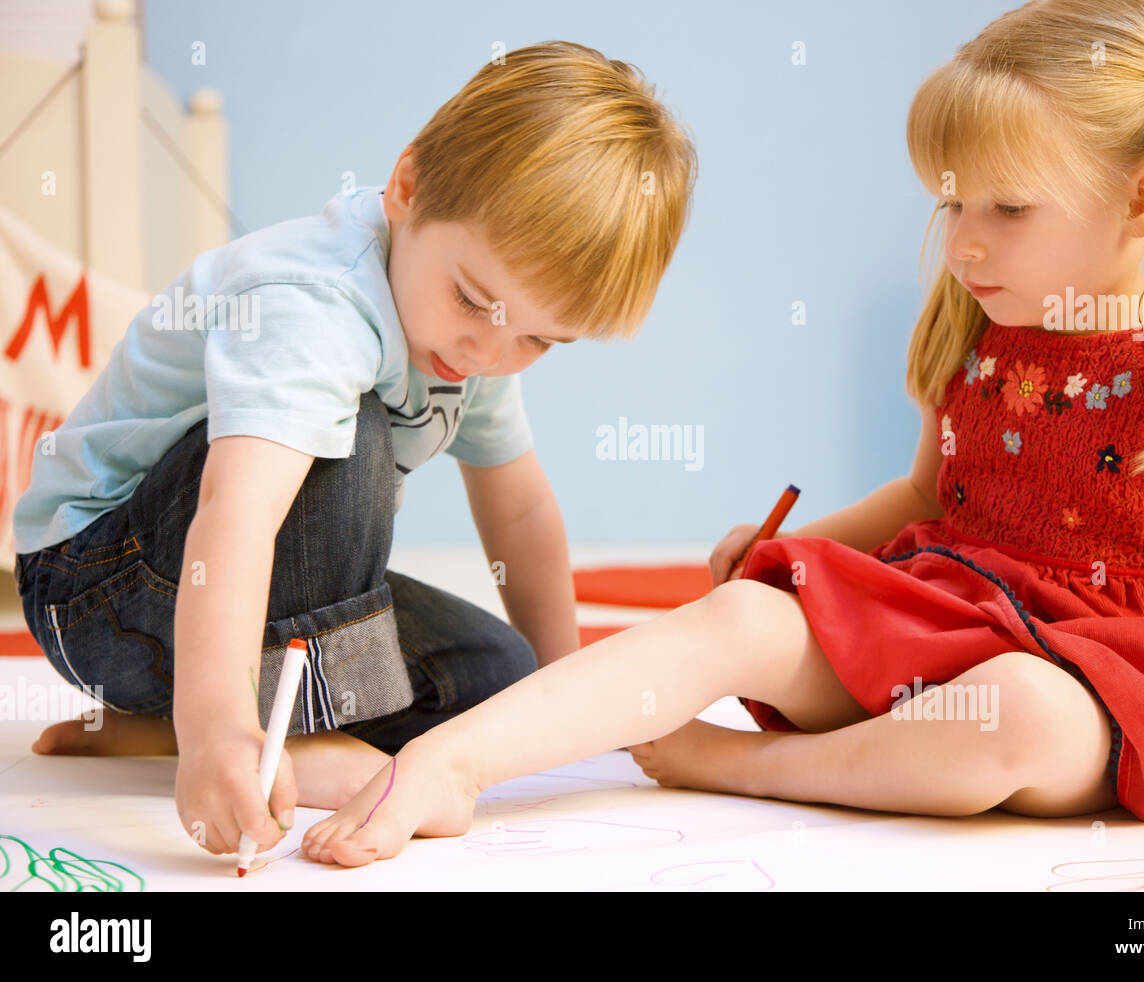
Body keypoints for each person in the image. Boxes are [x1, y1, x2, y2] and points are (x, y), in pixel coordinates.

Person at [298, 0, 1144, 868]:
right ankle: (452, 761)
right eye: (949, 201)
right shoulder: (982, 340)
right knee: (741, 619)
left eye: (1005, 207)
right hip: (952, 623)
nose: (960, 243)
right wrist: (797, 554)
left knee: (1020, 712)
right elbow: (924, 501)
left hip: (1130, 691)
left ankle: (753, 765)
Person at [10, 40, 698, 861]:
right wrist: (215, 733)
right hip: (98, 587)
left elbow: (519, 506)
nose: (486, 351)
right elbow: (234, 517)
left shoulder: (478, 340)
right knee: (352, 432)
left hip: (221, 612)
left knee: (500, 677)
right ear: (407, 190)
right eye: (472, 299)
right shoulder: (314, 306)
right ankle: (258, 733)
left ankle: (149, 726)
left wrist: (567, 687)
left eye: (540, 340)